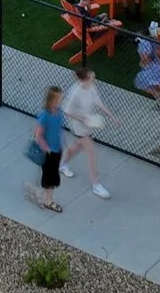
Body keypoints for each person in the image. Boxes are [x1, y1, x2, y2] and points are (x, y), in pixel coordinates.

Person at [62, 66, 112, 199]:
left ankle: (62, 164)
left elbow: (99, 103)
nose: (94, 79)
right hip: (80, 126)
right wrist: (83, 119)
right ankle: (96, 185)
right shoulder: (75, 92)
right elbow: (67, 111)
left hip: (88, 123)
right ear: (85, 80)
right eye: (92, 77)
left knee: (75, 147)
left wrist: (112, 116)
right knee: (92, 155)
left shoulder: (91, 88)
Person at [26, 87, 67, 213]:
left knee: (50, 175)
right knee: (51, 177)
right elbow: (38, 135)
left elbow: (57, 129)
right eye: (59, 98)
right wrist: (47, 149)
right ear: (53, 99)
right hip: (49, 152)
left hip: (57, 149)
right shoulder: (45, 115)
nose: (61, 100)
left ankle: (36, 191)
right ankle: (48, 201)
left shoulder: (58, 112)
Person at [135, 22, 160, 103]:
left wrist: (141, 63)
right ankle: (158, 93)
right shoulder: (159, 40)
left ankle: (157, 94)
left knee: (139, 81)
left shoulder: (143, 44)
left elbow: (147, 59)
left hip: (153, 68)